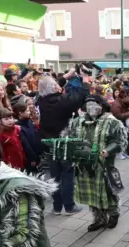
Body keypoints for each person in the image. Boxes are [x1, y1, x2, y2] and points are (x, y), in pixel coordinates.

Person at [68, 95, 128, 231]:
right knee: (92, 192)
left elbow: (119, 141)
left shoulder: (112, 122)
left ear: (101, 105)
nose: (91, 108)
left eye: (94, 104)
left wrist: (109, 150)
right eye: (88, 105)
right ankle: (99, 218)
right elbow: (71, 138)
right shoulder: (78, 121)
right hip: (84, 164)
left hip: (103, 163)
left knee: (107, 190)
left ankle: (113, 213)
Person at [37, 73, 90, 215]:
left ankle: (57, 206)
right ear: (53, 88)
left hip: (49, 143)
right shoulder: (61, 101)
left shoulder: (41, 100)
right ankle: (69, 206)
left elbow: (54, 89)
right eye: (55, 85)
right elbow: (79, 99)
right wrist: (85, 82)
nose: (58, 86)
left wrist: (67, 77)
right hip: (64, 143)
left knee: (54, 175)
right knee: (67, 174)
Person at [11, 95, 42, 173]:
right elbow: (26, 145)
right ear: (20, 113)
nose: (29, 112)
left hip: (37, 154)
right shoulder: (19, 127)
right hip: (30, 157)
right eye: (27, 111)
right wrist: (32, 158)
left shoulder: (30, 121)